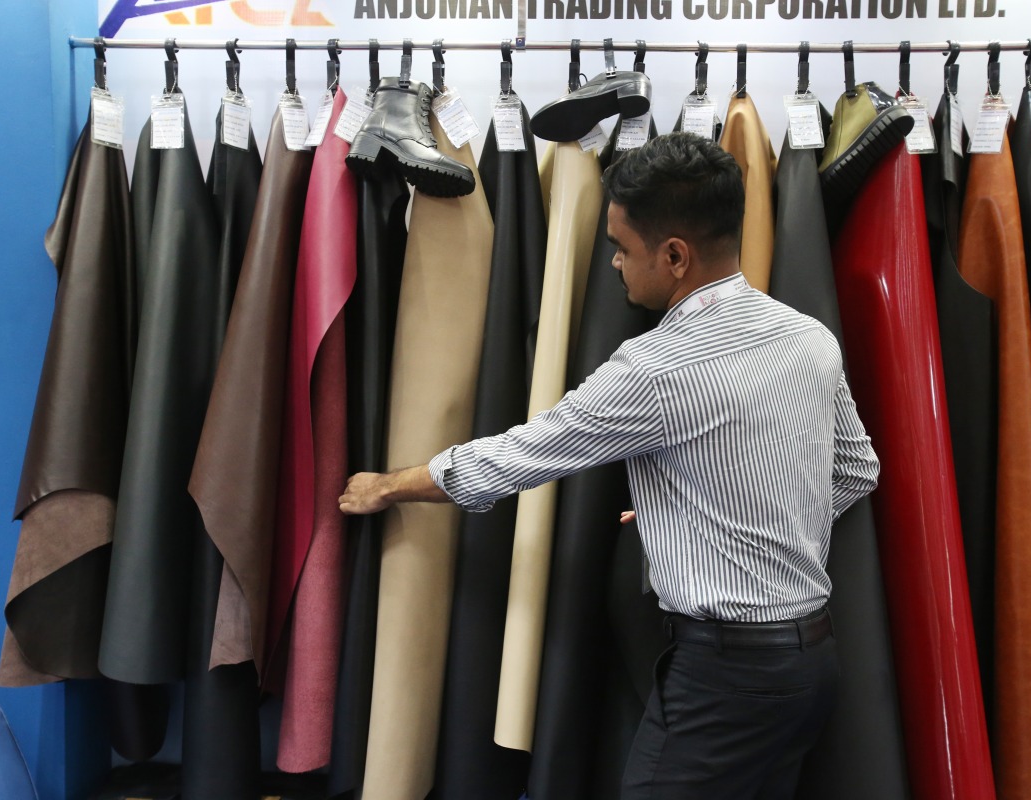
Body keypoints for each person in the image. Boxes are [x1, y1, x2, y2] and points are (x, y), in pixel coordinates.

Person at [339, 132, 880, 799]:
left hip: (724, 677)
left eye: (623, 249)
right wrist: (726, 514)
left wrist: (389, 485)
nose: (617, 267)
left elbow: (512, 458)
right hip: (810, 664)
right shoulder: (808, 339)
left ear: (675, 255)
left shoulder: (655, 369)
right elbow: (856, 470)